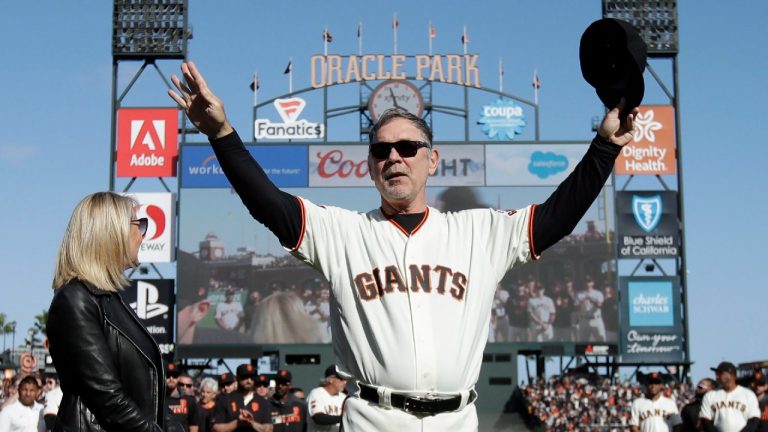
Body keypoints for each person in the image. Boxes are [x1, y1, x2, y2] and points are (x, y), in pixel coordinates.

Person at [169, 61, 638, 431]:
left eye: (408, 147)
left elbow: (558, 216)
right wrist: (221, 135)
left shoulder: (479, 232)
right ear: (370, 167)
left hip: (456, 422)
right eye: (380, 150)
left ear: (432, 160)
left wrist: (604, 149)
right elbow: (268, 203)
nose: (393, 156)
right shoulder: (344, 233)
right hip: (374, 419)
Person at [47, 192, 164, 431]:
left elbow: (147, 398)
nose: (144, 235)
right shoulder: (75, 299)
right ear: (111, 233)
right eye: (138, 224)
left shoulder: (109, 299)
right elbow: (109, 398)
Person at [700, 362, 760, 432]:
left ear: (730, 375)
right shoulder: (710, 395)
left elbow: (754, 420)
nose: (717, 376)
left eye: (720, 373)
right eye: (716, 374)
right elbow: (705, 421)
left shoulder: (748, 394)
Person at [212, 364, 271, 432]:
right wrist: (237, 423)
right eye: (245, 377)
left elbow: (269, 429)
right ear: (237, 378)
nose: (249, 381)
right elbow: (216, 428)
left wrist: (252, 422)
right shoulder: (225, 400)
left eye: (252, 377)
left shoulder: (262, 402)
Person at [306, 366, 348, 432]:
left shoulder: (343, 397)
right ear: (330, 379)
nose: (345, 382)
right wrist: (344, 419)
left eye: (345, 379)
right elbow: (318, 418)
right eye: (341, 379)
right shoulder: (317, 393)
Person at [575, 276, 606, 341]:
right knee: (583, 343)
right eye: (586, 282)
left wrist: (591, 299)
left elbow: (601, 306)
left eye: (589, 282)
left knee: (601, 341)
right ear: (584, 283)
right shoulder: (579, 294)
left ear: (593, 283)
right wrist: (582, 301)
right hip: (584, 320)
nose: (588, 284)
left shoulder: (598, 293)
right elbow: (576, 308)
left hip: (596, 319)